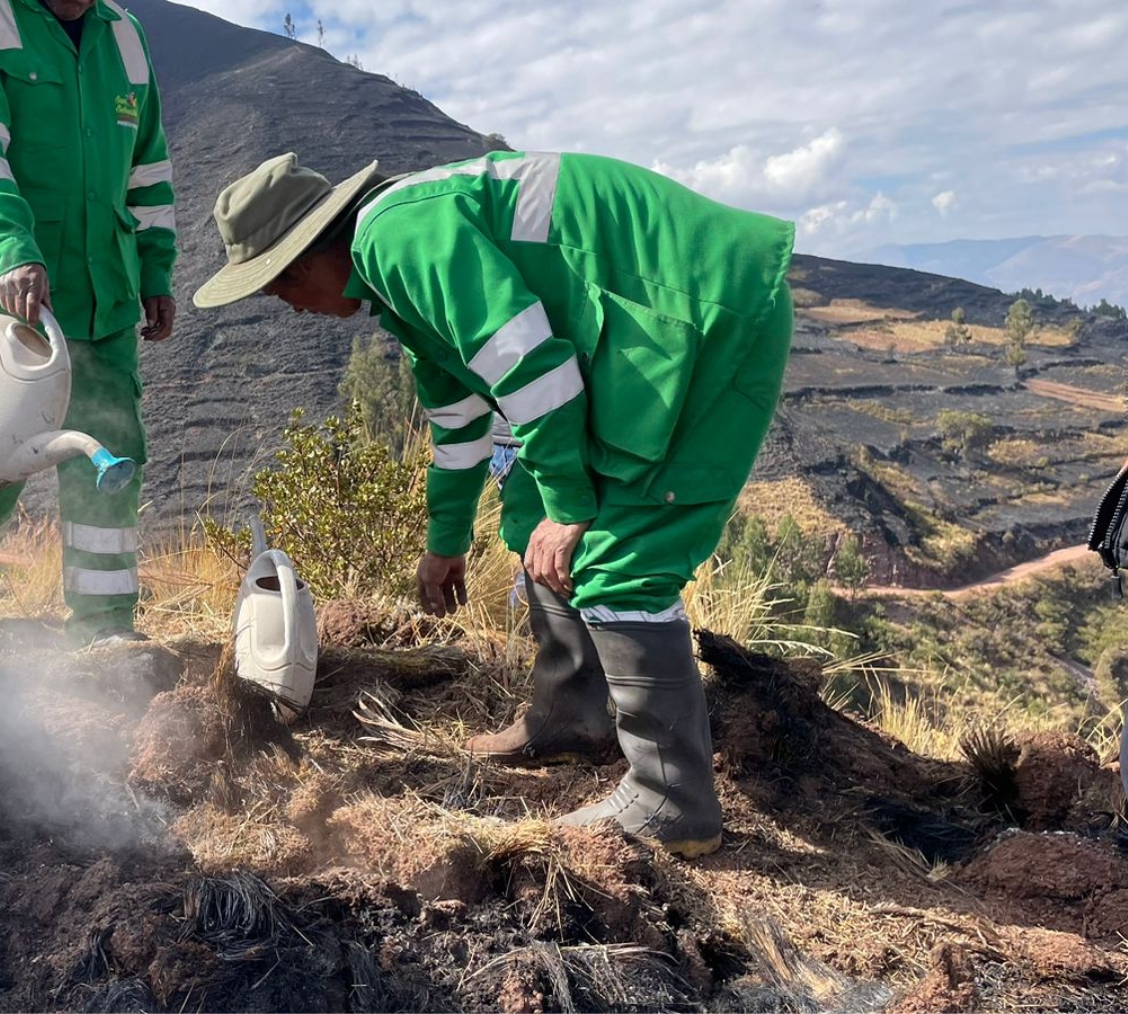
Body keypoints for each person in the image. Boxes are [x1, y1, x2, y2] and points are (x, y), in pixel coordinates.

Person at [193, 151, 795, 858]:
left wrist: (572, 507)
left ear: (301, 261)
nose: (291, 309)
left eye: (277, 290)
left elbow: (531, 369)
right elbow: (458, 423)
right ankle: (574, 716)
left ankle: (673, 801)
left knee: (621, 552)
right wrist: (446, 539)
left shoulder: (399, 239)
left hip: (704, 312)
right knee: (528, 507)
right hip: (639, 327)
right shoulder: (396, 277)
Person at [0, 0, 178, 647]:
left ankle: (104, 629)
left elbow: (147, 169)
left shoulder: (124, 34)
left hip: (104, 296)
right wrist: (11, 249)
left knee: (110, 458)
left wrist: (155, 271)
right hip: (3, 294)